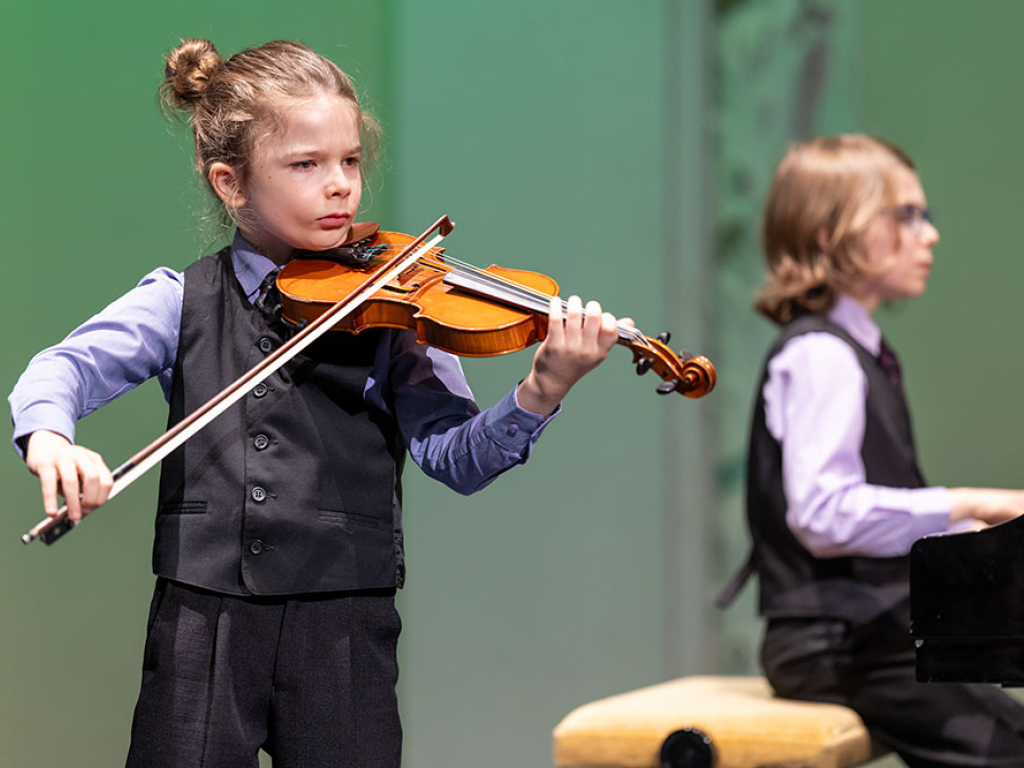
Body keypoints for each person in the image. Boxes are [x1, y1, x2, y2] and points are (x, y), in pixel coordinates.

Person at [9, 39, 624, 768]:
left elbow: (458, 458)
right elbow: (61, 369)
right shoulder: (180, 300)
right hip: (202, 624)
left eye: (350, 161)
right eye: (306, 165)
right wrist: (50, 438)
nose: (340, 186)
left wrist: (541, 389)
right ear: (230, 183)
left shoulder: (396, 305)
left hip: (344, 627)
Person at [743, 134, 1024, 765]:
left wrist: (969, 537)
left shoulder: (855, 350)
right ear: (828, 233)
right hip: (839, 640)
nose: (929, 234)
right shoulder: (821, 355)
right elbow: (822, 515)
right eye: (905, 215)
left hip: (874, 630)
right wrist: (971, 503)